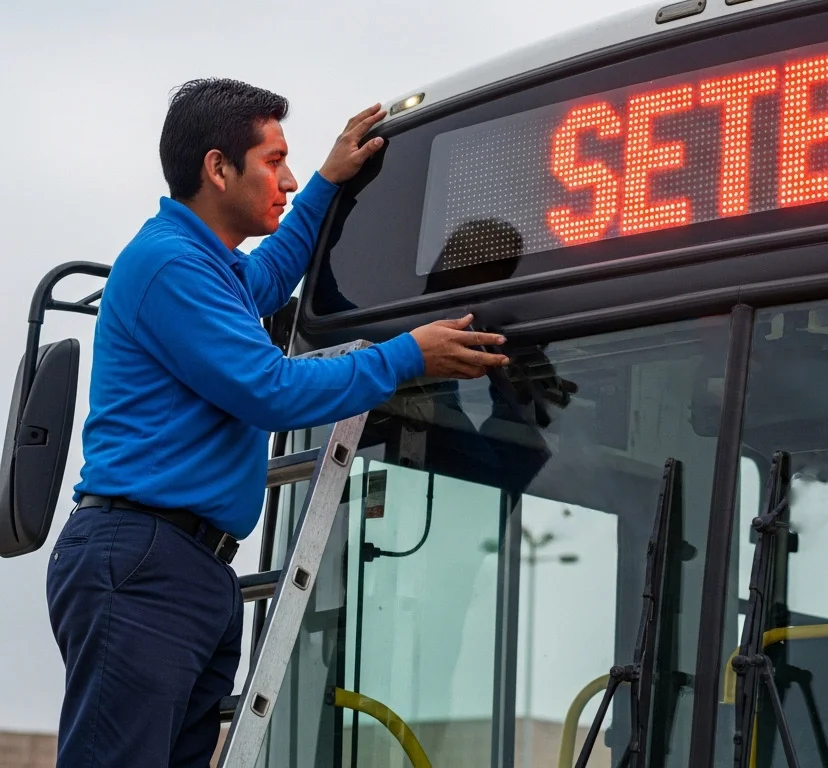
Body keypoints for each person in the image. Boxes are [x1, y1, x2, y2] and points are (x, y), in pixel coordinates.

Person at [44, 78, 510, 767]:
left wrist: (326, 182)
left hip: (187, 566)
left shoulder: (209, 269)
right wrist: (410, 354)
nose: (288, 179)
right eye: (274, 161)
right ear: (217, 167)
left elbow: (269, 278)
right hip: (145, 559)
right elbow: (271, 389)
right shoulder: (169, 265)